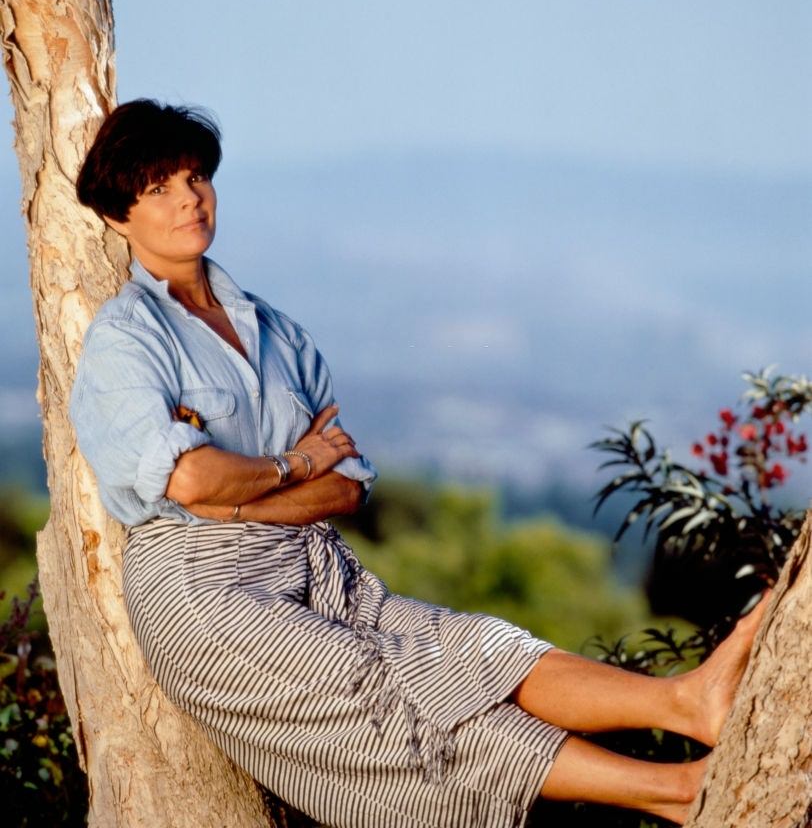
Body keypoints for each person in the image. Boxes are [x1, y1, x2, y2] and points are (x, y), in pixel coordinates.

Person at [70, 99, 765, 828]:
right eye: (158, 190)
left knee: (472, 647)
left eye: (194, 177)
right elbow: (188, 482)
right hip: (203, 592)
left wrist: (246, 492)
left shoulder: (273, 328)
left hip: (314, 562)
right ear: (120, 217)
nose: (188, 199)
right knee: (390, 700)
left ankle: (683, 703)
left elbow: (344, 486)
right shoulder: (126, 339)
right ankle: (679, 793)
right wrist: (293, 462)